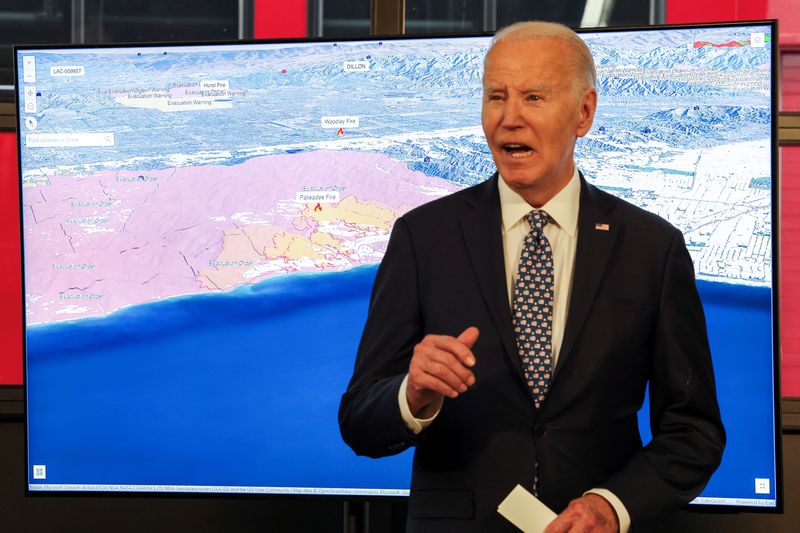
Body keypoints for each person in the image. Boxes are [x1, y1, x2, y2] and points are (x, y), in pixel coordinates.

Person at [339, 21, 725, 533]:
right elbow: (359, 421)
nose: (509, 118)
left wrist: (612, 506)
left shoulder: (652, 247)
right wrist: (412, 395)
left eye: (534, 97)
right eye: (496, 96)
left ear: (584, 112)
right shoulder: (422, 238)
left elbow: (693, 431)